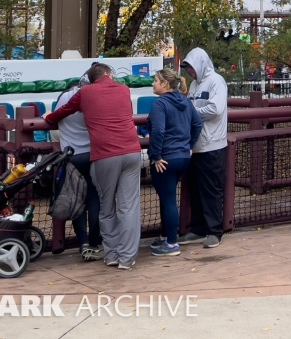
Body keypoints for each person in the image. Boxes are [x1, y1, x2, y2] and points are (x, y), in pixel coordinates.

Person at [44, 63, 142, 270]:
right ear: (108, 75)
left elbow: (59, 114)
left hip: (105, 155)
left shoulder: (85, 93)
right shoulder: (124, 90)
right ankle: (127, 258)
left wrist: (47, 118)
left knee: (106, 208)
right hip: (133, 151)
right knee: (129, 207)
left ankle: (112, 254)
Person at [147, 68, 203, 256]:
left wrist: (155, 155)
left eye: (155, 80)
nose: (153, 83)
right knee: (167, 196)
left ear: (164, 84)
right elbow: (197, 124)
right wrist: (189, 145)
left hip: (165, 158)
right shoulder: (185, 101)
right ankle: (165, 236)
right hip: (183, 157)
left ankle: (171, 244)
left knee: (169, 199)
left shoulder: (159, 104)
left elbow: (158, 130)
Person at [177, 48, 228, 249]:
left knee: (211, 190)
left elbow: (216, 109)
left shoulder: (217, 81)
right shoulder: (194, 85)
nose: (189, 71)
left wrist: (192, 113)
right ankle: (198, 228)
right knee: (196, 190)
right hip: (195, 145)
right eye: (187, 68)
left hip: (212, 145)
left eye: (190, 66)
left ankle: (215, 231)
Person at [52, 73, 102, 261]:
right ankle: (96, 242)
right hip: (94, 155)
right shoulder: (96, 98)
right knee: (94, 198)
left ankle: (83, 243)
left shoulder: (64, 97)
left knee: (76, 198)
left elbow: (54, 120)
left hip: (71, 156)